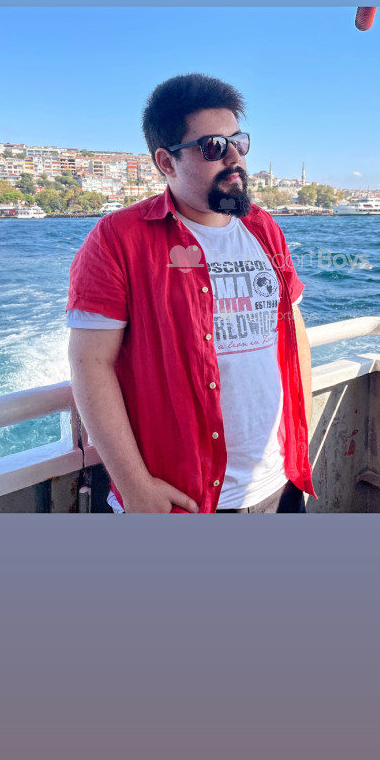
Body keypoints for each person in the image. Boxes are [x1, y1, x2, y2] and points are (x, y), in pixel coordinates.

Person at [66, 72, 315, 514]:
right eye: (214, 147)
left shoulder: (264, 228)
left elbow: (293, 334)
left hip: (280, 481)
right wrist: (136, 488)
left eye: (239, 142)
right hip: (182, 498)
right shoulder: (116, 240)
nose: (235, 157)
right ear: (167, 162)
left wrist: (303, 440)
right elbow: (90, 365)